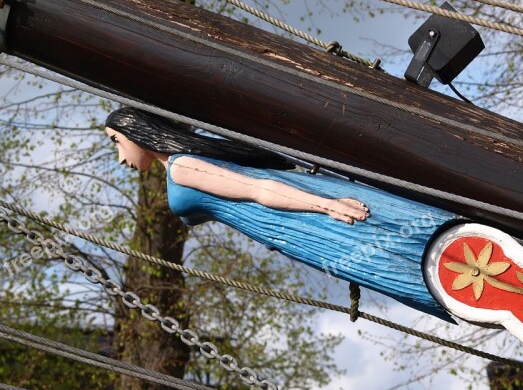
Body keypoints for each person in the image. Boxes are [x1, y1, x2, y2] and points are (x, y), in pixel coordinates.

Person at [104, 107, 457, 319]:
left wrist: (326, 205)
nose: (120, 158)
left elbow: (257, 189)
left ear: (136, 132)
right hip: (284, 226)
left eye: (117, 141)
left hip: (292, 217)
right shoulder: (180, 166)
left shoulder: (182, 168)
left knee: (386, 257)